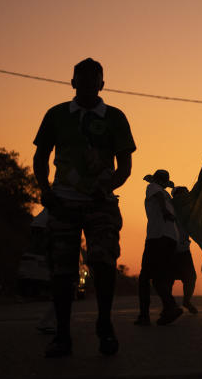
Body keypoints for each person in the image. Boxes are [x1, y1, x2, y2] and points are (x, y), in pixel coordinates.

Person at [33, 58, 135, 358]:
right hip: (63, 202)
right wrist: (45, 190)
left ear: (102, 84)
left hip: (101, 203)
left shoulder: (115, 117)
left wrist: (106, 189)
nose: (89, 84)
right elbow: (41, 156)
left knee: (103, 263)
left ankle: (105, 325)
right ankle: (62, 336)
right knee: (62, 270)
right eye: (83, 79)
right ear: (73, 82)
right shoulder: (57, 115)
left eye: (95, 80)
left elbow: (125, 166)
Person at [135, 170, 183, 326]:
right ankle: (168, 308)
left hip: (157, 237)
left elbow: (158, 196)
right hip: (170, 238)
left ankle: (147, 315)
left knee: (145, 278)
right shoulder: (168, 195)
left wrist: (163, 211)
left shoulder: (154, 188)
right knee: (159, 277)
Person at [172, 186, 202, 315]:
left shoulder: (189, 214)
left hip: (184, 250)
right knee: (168, 278)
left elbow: (196, 233)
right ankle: (170, 305)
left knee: (191, 277)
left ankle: (187, 301)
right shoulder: (169, 208)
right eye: (181, 195)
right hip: (170, 249)